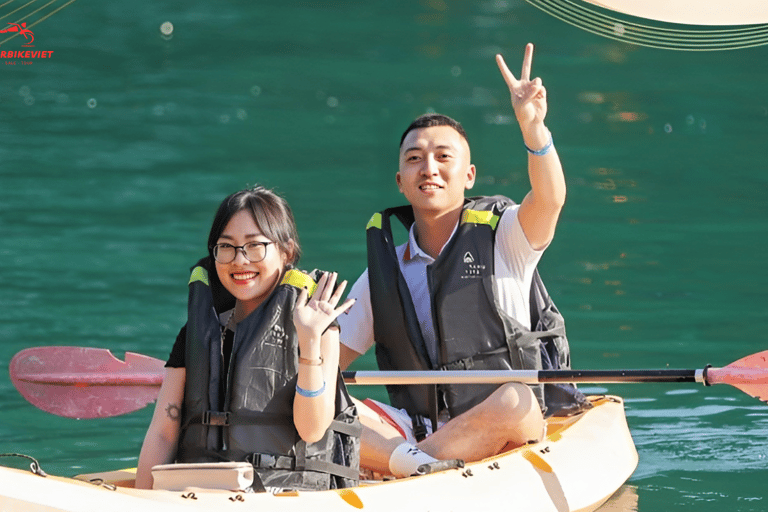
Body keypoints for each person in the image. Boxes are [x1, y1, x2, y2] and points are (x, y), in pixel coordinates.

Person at [338, 43, 588, 477]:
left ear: (469, 175)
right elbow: (327, 364)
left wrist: (534, 130)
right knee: (322, 396)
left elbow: (550, 199)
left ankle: (406, 470)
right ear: (400, 182)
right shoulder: (385, 274)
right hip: (417, 432)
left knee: (515, 399)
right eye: (414, 159)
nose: (428, 167)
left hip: (511, 425)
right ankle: (421, 465)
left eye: (443, 157)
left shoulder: (505, 235)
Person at [136, 186, 360, 491]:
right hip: (200, 490)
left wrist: (308, 342)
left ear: (287, 252)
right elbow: (163, 432)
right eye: (226, 247)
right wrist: (141, 499)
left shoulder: (319, 327)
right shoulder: (198, 332)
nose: (240, 261)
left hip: (286, 493)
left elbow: (312, 430)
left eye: (254, 246)